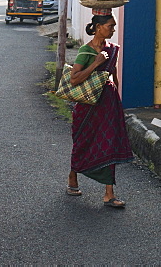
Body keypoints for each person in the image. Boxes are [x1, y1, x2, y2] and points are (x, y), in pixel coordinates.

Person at [66, 13, 133, 206]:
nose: (113, 29)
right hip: (88, 106)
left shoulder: (112, 49)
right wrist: (96, 63)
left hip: (108, 103)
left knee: (109, 143)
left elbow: (114, 76)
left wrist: (117, 101)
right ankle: (73, 176)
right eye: (110, 26)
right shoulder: (86, 51)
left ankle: (109, 193)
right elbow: (74, 78)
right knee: (82, 142)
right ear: (98, 27)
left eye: (113, 26)